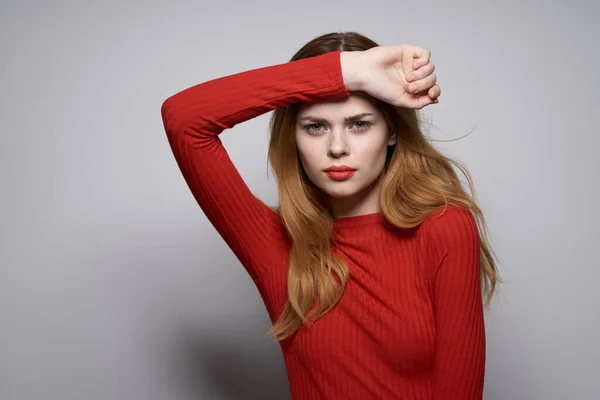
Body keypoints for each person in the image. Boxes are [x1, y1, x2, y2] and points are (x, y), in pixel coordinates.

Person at [160, 31, 500, 400]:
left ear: (392, 132)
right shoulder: (274, 243)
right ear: (294, 136)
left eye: (359, 124)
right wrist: (349, 71)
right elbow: (185, 120)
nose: (337, 147)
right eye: (315, 126)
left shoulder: (445, 228)